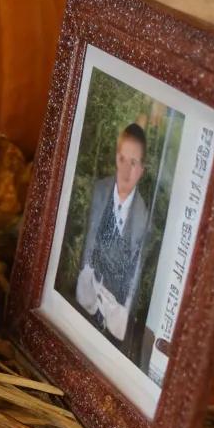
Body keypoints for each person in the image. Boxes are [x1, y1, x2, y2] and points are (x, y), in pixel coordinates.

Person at [75, 122, 150, 346]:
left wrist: (123, 311)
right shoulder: (98, 191)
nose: (126, 171)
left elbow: (135, 275)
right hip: (85, 293)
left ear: (142, 170)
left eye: (134, 163)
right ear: (116, 158)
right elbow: (84, 240)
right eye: (122, 160)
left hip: (114, 310)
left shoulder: (143, 218)